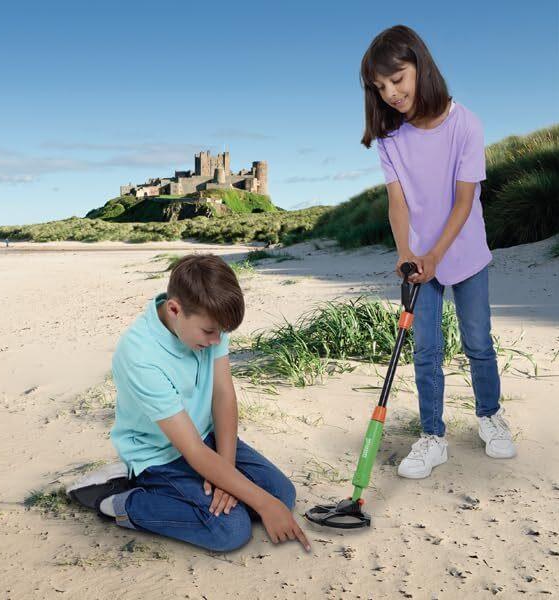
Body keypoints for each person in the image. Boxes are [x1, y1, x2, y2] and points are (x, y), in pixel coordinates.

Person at [68, 254, 310, 552]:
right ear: (174, 309)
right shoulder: (139, 355)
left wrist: (226, 473)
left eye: (222, 332)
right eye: (209, 332)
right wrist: (257, 500)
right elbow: (192, 449)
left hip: (204, 437)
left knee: (282, 495)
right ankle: (123, 502)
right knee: (231, 530)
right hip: (159, 455)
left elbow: (223, 395)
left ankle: (202, 489)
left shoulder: (211, 321)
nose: (217, 340)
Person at [359, 25, 516, 479]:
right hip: (418, 263)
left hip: (465, 254)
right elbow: (398, 202)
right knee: (426, 350)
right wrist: (406, 252)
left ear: (420, 67)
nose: (391, 93)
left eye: (397, 79)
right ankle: (432, 436)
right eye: (380, 87)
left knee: (478, 342)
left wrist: (435, 256)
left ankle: (490, 417)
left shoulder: (466, 124)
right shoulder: (390, 138)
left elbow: (465, 201)